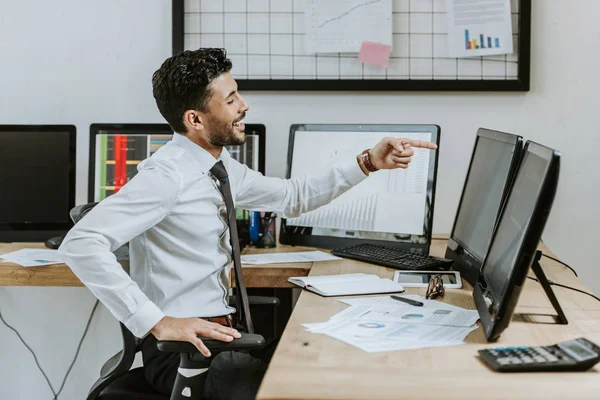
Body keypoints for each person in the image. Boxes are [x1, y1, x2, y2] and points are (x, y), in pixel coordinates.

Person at [58, 48, 437, 399]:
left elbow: (292, 197)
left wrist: (368, 162)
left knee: (331, 358)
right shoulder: (167, 175)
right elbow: (81, 243)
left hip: (223, 335)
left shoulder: (214, 167)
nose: (244, 105)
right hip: (184, 354)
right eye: (231, 100)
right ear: (195, 119)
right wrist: (157, 322)